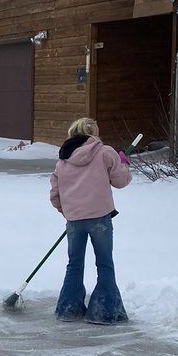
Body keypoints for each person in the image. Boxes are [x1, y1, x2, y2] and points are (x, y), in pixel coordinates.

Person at [49, 117, 132, 324]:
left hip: (74, 220)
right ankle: (103, 313)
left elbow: (55, 193)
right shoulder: (105, 152)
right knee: (104, 263)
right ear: (93, 133)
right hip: (99, 218)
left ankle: (68, 310)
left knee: (74, 263)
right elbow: (121, 181)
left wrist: (68, 212)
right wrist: (123, 163)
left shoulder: (63, 159)